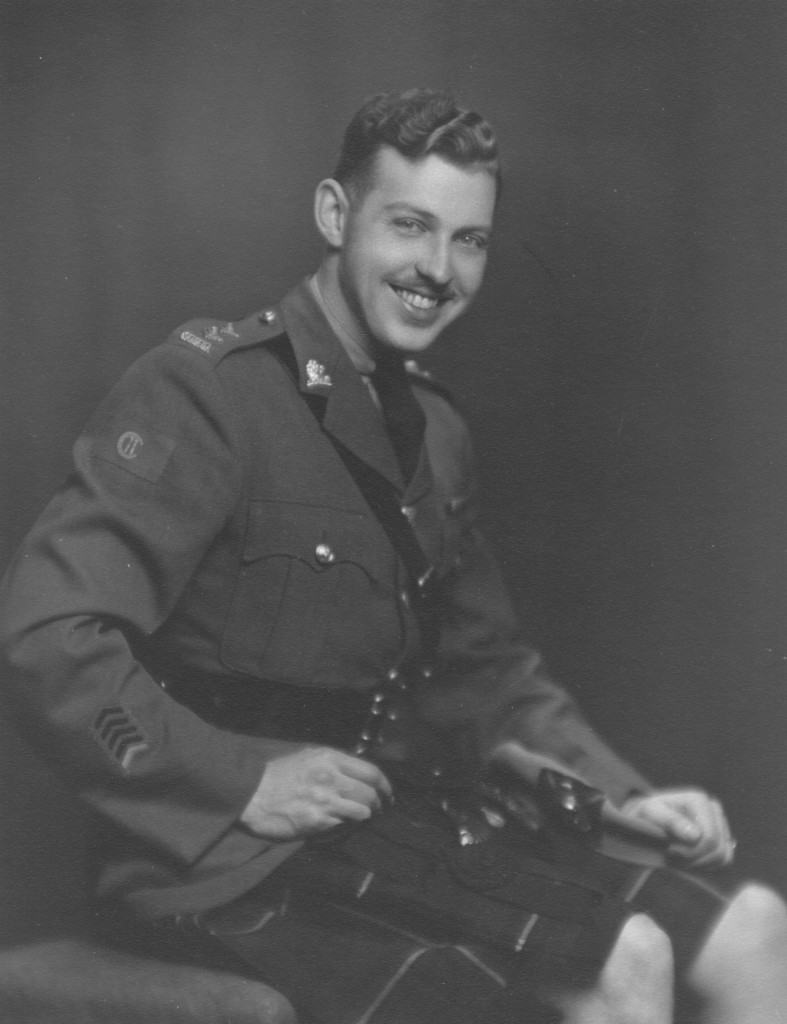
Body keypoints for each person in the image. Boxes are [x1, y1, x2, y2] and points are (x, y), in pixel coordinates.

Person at [1, 87, 785, 1024]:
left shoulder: (434, 431)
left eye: (469, 240)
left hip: (384, 820)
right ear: (335, 215)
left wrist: (620, 799)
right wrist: (239, 776)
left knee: (757, 934)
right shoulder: (207, 394)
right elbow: (48, 634)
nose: (437, 270)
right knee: (626, 964)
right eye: (410, 226)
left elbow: (482, 674)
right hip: (216, 851)